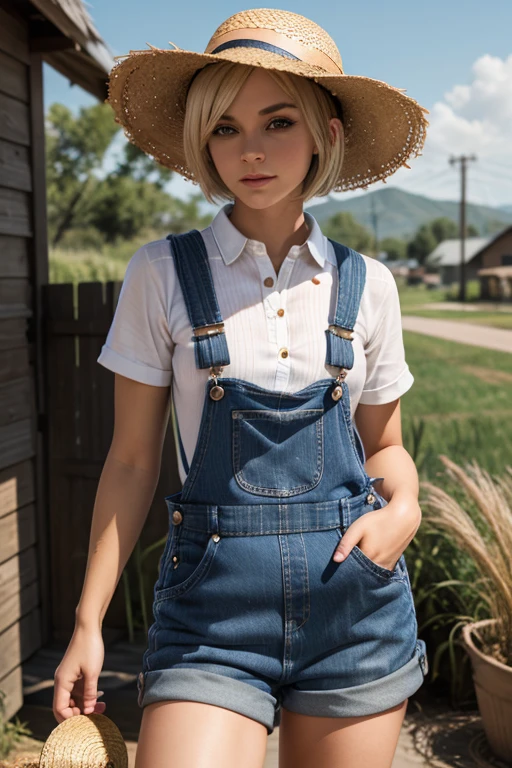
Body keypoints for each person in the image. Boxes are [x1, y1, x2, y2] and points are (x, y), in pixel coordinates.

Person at [52, 8, 430, 768]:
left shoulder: (370, 285)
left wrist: (406, 514)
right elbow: (131, 462)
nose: (249, 150)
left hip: (355, 604)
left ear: (326, 132)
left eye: (277, 121)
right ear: (202, 141)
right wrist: (89, 622)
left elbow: (384, 448)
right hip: (211, 616)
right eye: (224, 128)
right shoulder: (161, 273)